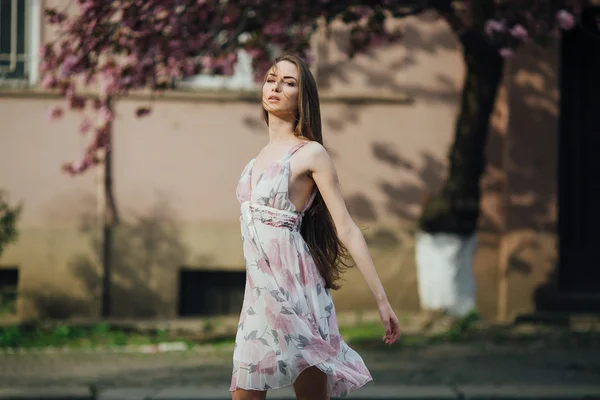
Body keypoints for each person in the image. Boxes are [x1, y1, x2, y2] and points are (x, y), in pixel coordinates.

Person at [231, 53, 401, 400]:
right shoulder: (254, 161)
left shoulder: (311, 154)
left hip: (296, 293)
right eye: (270, 78)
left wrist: (382, 301)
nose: (275, 86)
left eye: (288, 82)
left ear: (302, 98)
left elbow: (347, 228)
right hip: (258, 299)